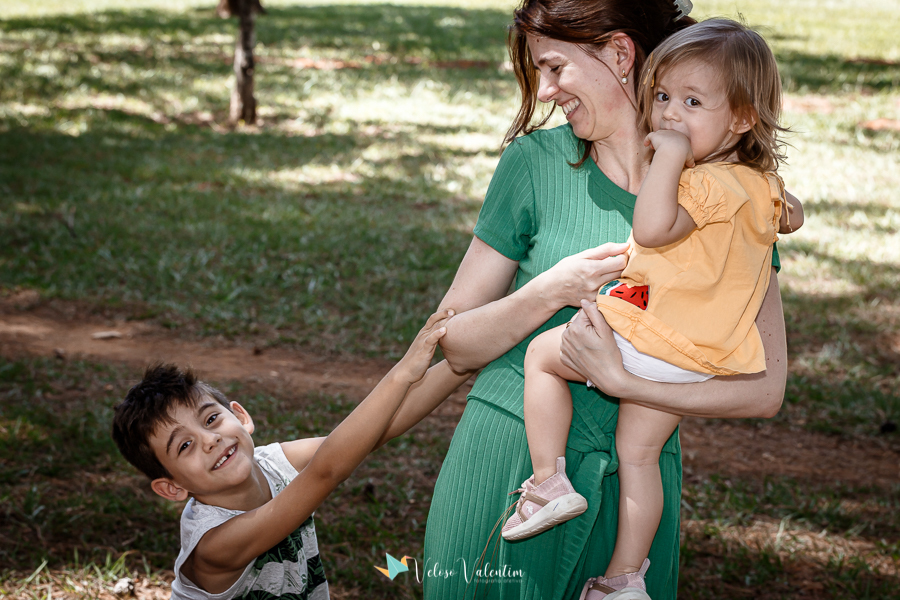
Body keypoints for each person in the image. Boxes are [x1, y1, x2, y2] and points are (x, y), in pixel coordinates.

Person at [424, 1, 800, 599]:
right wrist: (550, 291)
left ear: (620, 54)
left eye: (554, 68)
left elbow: (763, 391)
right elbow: (454, 342)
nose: (545, 92)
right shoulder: (533, 165)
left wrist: (628, 385)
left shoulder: (730, 207)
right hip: (508, 465)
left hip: (636, 485)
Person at [111, 308, 469, 600]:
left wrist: (462, 363)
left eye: (211, 419)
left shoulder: (272, 462)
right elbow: (327, 470)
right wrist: (403, 372)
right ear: (171, 487)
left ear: (241, 417)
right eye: (184, 445)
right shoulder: (212, 545)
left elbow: (370, 434)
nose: (209, 440)